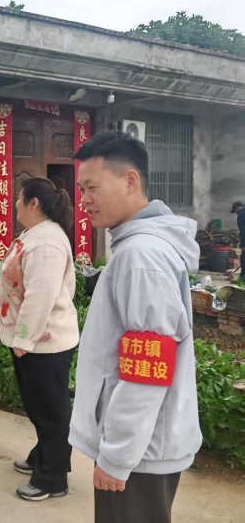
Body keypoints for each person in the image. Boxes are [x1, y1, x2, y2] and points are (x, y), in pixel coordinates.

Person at [69, 131, 201, 523]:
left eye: (92, 187)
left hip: (139, 455)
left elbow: (147, 367)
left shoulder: (141, 256)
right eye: (81, 189)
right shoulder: (139, 248)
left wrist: (117, 457)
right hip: (143, 448)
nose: (84, 200)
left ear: (130, 180)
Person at [0, 177, 79, 501]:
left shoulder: (46, 243)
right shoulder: (35, 235)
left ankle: (51, 479)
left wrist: (24, 340)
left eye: (19, 198)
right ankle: (42, 457)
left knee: (50, 412)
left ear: (34, 204)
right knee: (42, 407)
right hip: (38, 341)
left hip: (45, 343)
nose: (15, 203)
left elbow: (40, 296)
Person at [232, 201, 244, 282]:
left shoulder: (241, 216)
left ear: (236, 209)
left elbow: (243, 231)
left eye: (235, 211)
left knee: (244, 259)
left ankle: (242, 280)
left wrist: (243, 245)